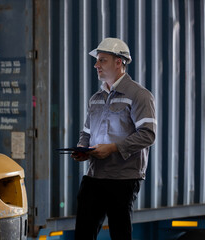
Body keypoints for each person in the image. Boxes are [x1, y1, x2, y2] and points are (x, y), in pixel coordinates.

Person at [72, 38, 156, 240]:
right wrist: (82, 148)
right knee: (83, 234)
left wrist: (112, 148)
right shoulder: (96, 98)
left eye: (102, 60)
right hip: (95, 175)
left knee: (120, 235)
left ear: (119, 62)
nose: (96, 65)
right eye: (97, 61)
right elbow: (86, 132)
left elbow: (147, 134)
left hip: (123, 178)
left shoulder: (139, 95)